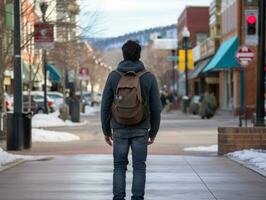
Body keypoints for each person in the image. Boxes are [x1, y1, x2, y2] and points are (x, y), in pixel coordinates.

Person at [101, 40, 162, 200]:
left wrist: (106, 130)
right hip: (141, 128)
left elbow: (105, 105)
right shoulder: (149, 77)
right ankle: (137, 198)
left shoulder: (114, 76)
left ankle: (118, 197)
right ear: (139, 55)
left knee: (119, 166)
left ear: (123, 54)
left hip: (119, 128)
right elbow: (156, 108)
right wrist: (153, 131)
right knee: (139, 166)